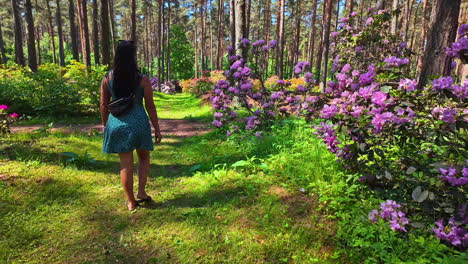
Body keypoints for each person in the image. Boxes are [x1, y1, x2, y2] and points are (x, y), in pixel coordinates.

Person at [100, 40, 162, 211]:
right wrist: (156, 128)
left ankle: (130, 202)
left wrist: (105, 125)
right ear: (133, 57)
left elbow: (103, 105)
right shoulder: (142, 79)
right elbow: (150, 105)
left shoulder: (107, 77)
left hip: (117, 123)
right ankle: (141, 192)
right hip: (139, 123)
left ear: (117, 56)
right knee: (143, 157)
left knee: (125, 164)